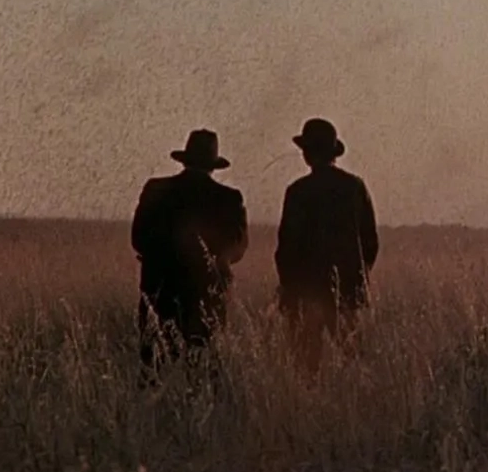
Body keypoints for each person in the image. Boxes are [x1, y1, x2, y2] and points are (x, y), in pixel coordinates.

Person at [130, 129, 248, 373]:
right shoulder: (228, 198)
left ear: (185, 159)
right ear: (213, 164)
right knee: (203, 371)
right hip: (206, 297)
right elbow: (238, 247)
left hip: (159, 292)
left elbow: (138, 238)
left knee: (155, 370)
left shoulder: (156, 189)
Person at [274, 118, 380, 375]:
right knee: (352, 362)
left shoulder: (298, 191)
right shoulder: (354, 187)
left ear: (307, 154)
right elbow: (370, 243)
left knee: (306, 368)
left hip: (306, 292)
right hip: (347, 291)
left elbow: (286, 249)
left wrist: (288, 287)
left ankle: (307, 411)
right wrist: (358, 276)